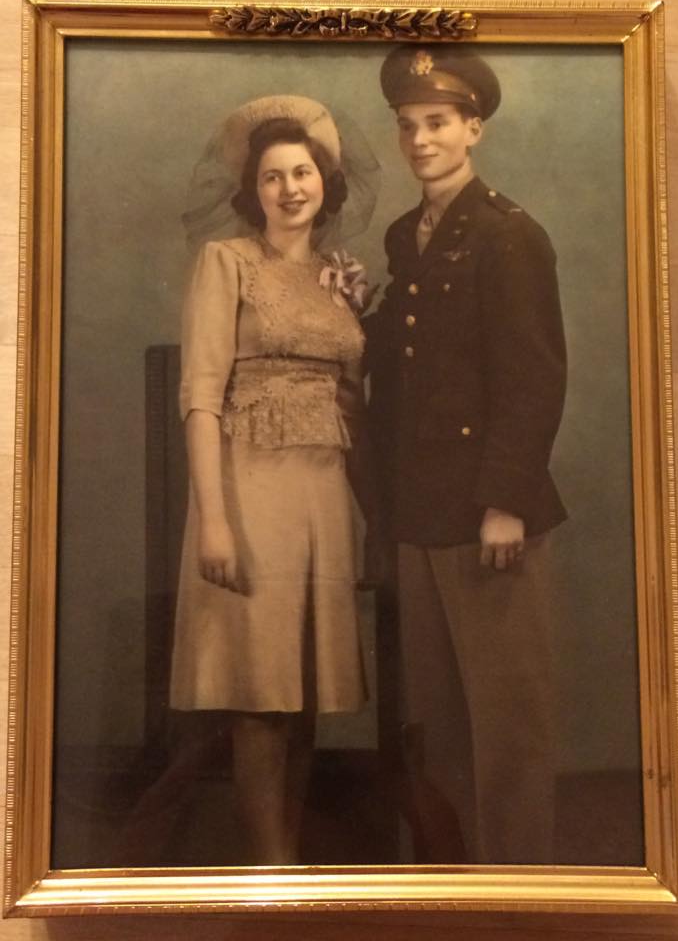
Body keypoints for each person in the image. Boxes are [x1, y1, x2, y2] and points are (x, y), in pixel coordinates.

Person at [365, 46, 567, 864]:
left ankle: (520, 885)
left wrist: (506, 502)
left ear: (473, 128)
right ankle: (452, 883)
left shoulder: (509, 235)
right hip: (421, 510)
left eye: (438, 123)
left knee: (508, 718)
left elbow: (533, 376)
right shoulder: (406, 236)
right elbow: (411, 362)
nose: (419, 139)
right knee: (438, 717)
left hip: (489, 513)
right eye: (408, 125)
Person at [169, 95, 378, 865]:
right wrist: (214, 520)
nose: (289, 188)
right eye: (271, 177)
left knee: (308, 693)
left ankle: (290, 859)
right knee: (262, 697)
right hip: (250, 489)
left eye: (302, 172)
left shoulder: (341, 277)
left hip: (324, 493)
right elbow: (199, 394)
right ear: (251, 191)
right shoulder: (226, 264)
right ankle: (268, 868)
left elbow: (358, 396)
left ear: (325, 181)